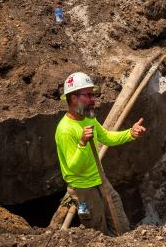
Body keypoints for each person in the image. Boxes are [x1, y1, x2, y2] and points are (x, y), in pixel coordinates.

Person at [55, 71, 146, 235]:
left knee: (122, 227)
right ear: (73, 98)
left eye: (93, 94)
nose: (93, 100)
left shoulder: (89, 118)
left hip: (101, 180)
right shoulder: (65, 130)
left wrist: (130, 134)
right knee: (97, 233)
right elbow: (73, 168)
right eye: (88, 95)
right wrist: (82, 143)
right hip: (82, 191)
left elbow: (106, 137)